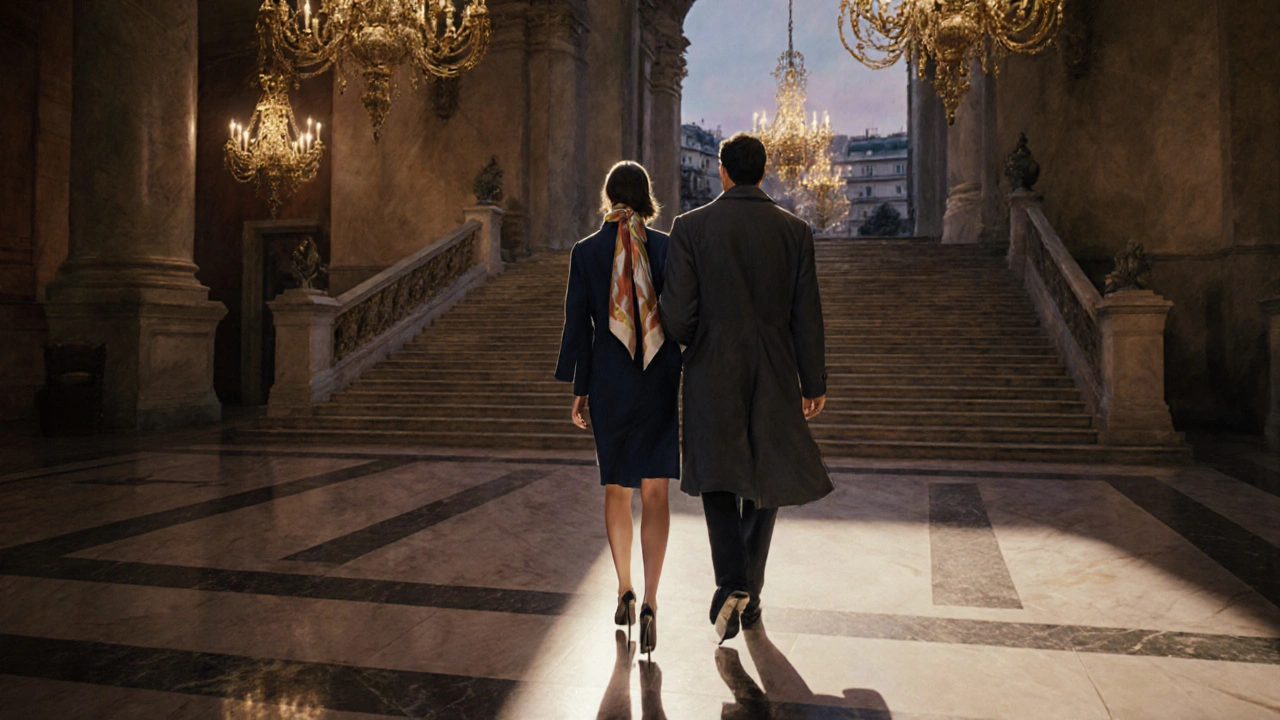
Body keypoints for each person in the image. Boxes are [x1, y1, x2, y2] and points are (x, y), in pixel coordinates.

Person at [660, 133, 833, 643]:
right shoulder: (795, 231)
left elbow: (677, 311)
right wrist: (813, 378)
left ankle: (733, 581)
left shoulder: (690, 227)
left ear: (722, 171)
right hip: (776, 367)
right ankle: (749, 595)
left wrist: (694, 340)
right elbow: (808, 313)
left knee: (718, 476)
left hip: (713, 365)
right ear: (762, 172)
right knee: (766, 473)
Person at [555, 161, 681, 655]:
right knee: (655, 493)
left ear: (609, 198)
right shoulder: (667, 247)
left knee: (616, 489)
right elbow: (681, 315)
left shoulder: (586, 252)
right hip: (657, 380)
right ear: (647, 198)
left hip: (609, 382)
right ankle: (651, 601)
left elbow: (578, 327)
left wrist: (580, 388)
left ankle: (624, 589)